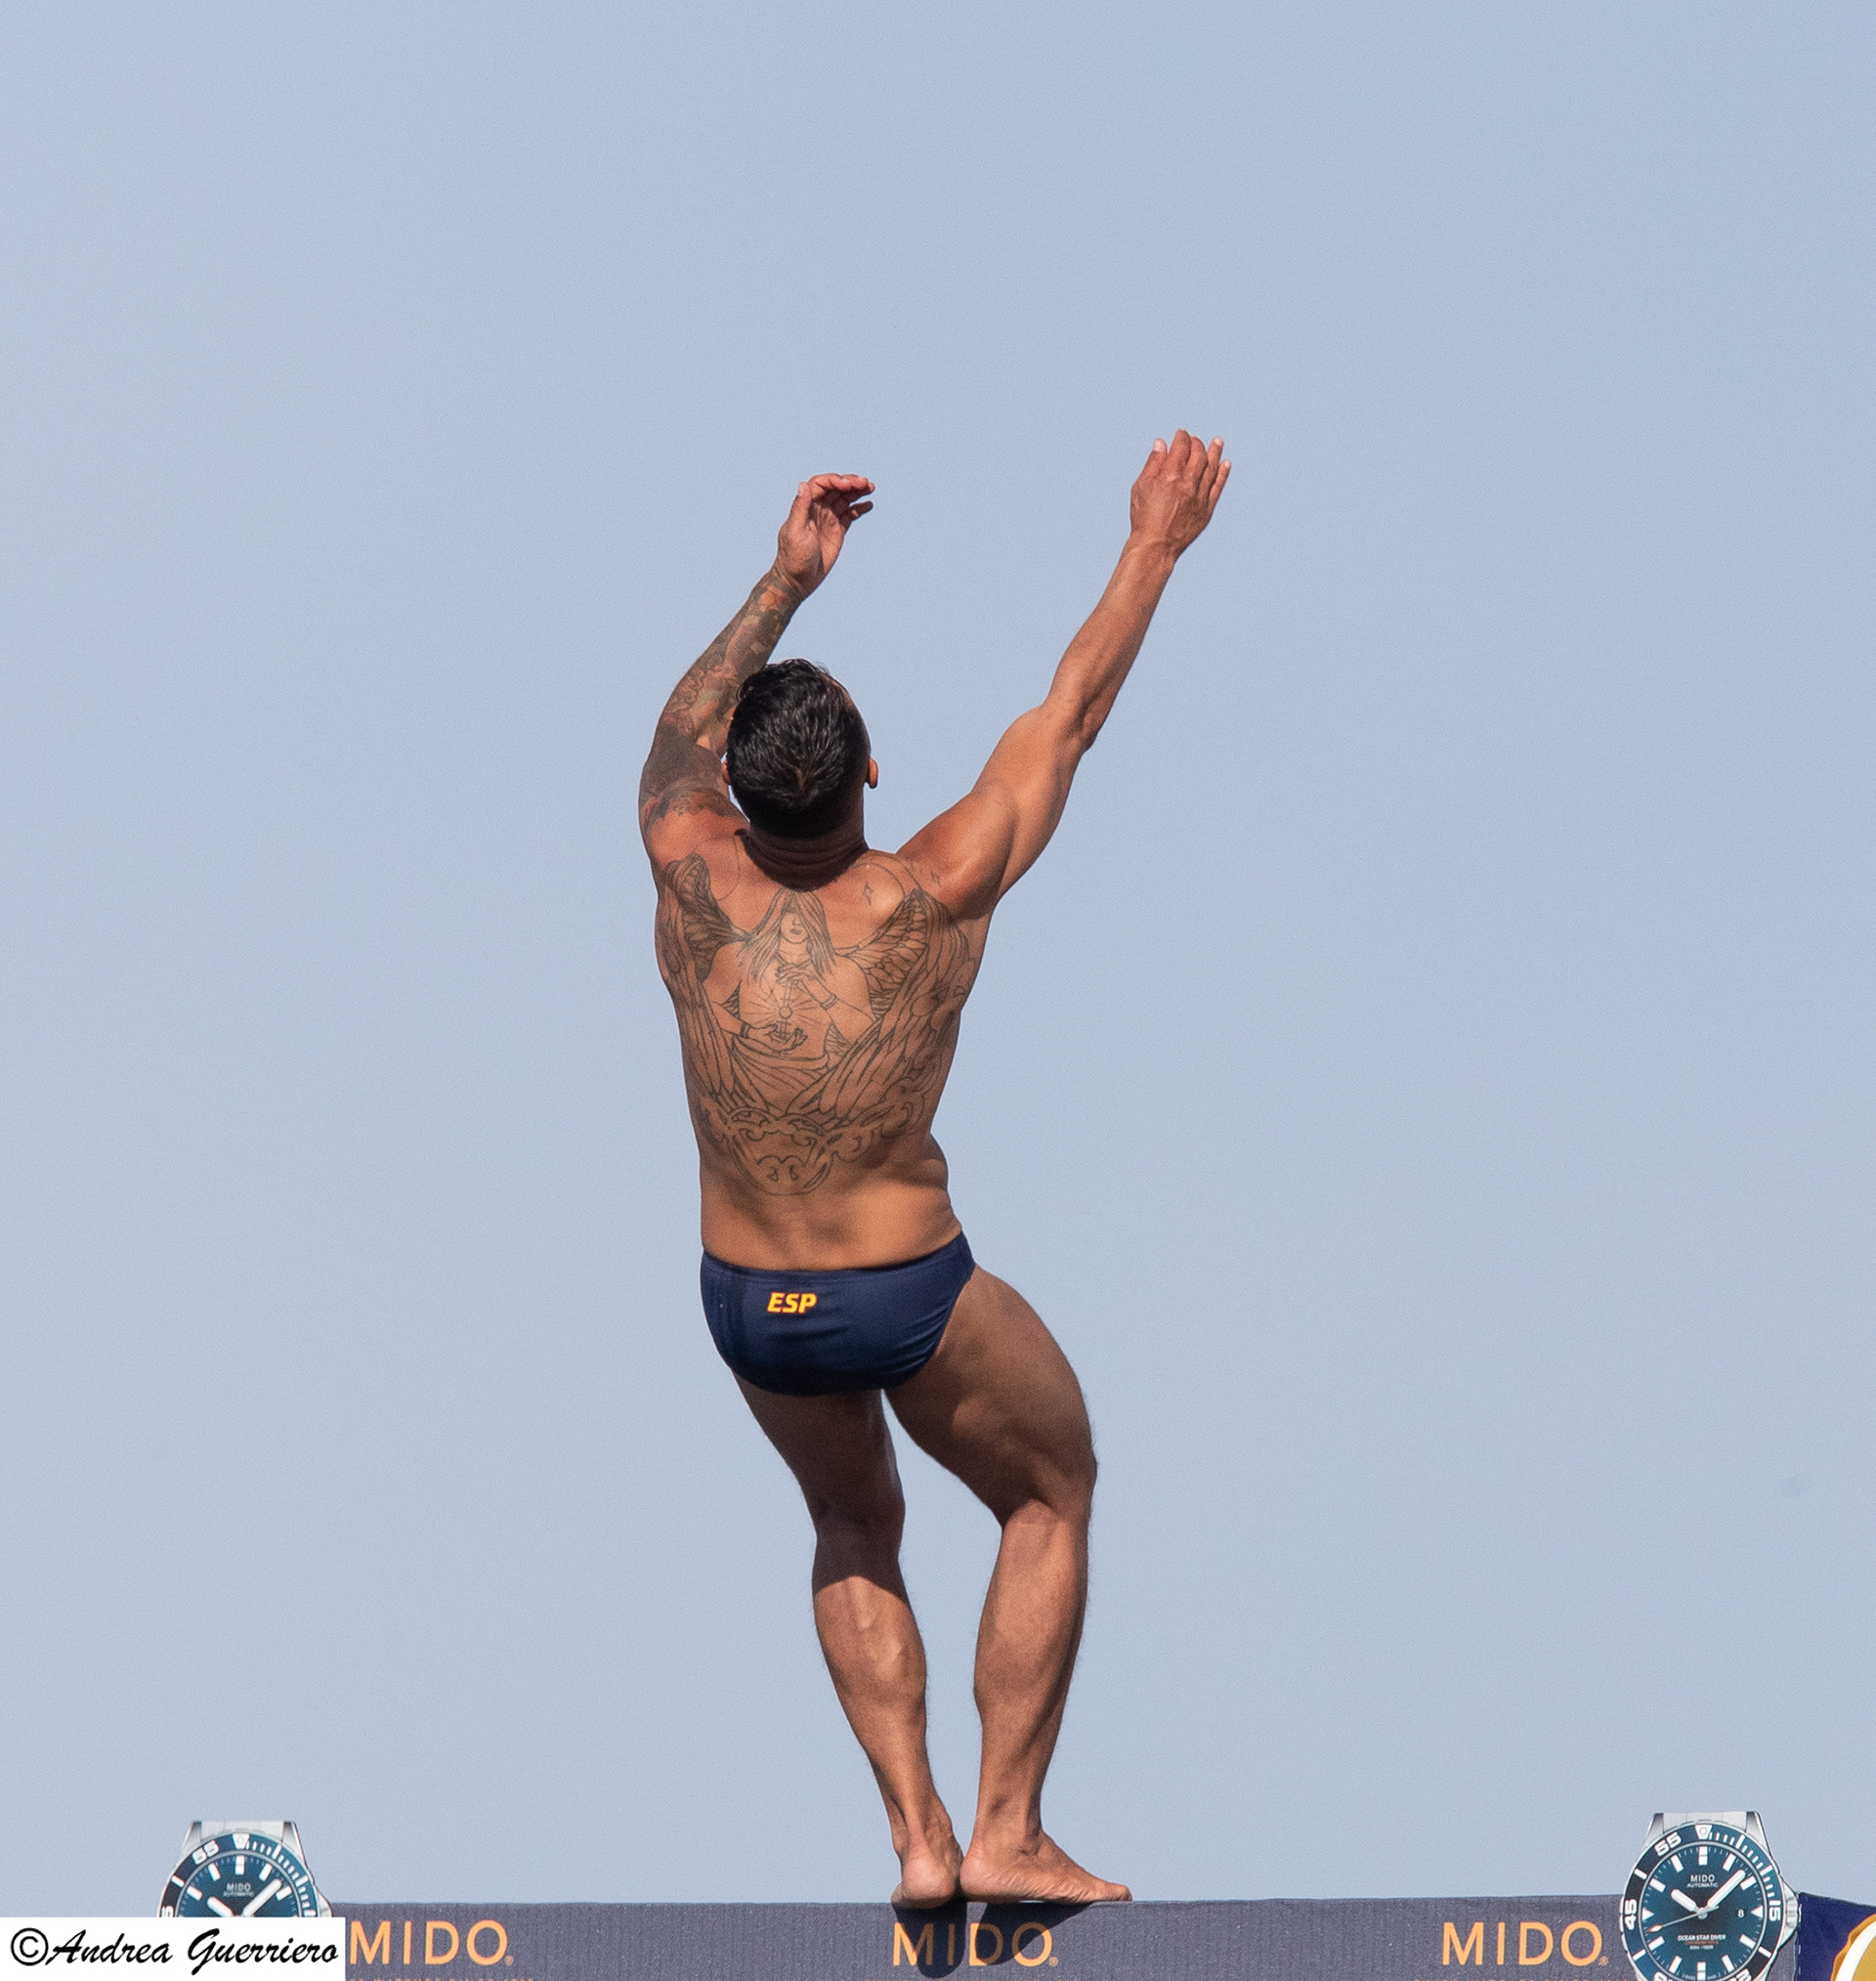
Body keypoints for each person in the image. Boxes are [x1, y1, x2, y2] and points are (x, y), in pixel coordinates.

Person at [640, 432, 1230, 1906]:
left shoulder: (683, 863)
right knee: (1051, 1486)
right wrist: (1154, 545)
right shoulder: (935, 893)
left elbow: (676, 728)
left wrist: (785, 580)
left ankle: (916, 1839)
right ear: (867, 773)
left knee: (853, 1519)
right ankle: (1005, 1832)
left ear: (737, 791)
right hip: (902, 1288)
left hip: (748, 1296)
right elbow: (1070, 714)